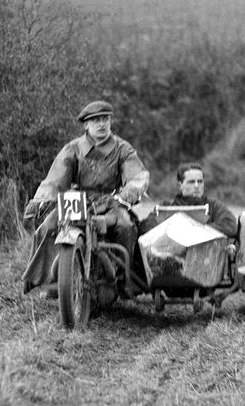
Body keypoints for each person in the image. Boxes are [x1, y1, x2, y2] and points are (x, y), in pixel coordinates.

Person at [22, 100, 150, 294]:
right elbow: (55, 179)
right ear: (86, 125)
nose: (101, 124)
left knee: (126, 226)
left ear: (110, 121)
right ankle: (51, 281)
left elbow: (137, 176)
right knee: (48, 226)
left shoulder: (122, 149)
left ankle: (121, 280)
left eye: (105, 119)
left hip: (112, 201)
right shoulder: (73, 149)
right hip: (77, 200)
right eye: (96, 120)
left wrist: (126, 195)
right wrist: (40, 201)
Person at [168, 162, 238, 239]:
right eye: (191, 182)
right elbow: (153, 227)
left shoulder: (215, 207)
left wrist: (195, 229)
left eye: (200, 181)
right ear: (179, 185)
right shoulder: (167, 207)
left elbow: (230, 227)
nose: (197, 186)